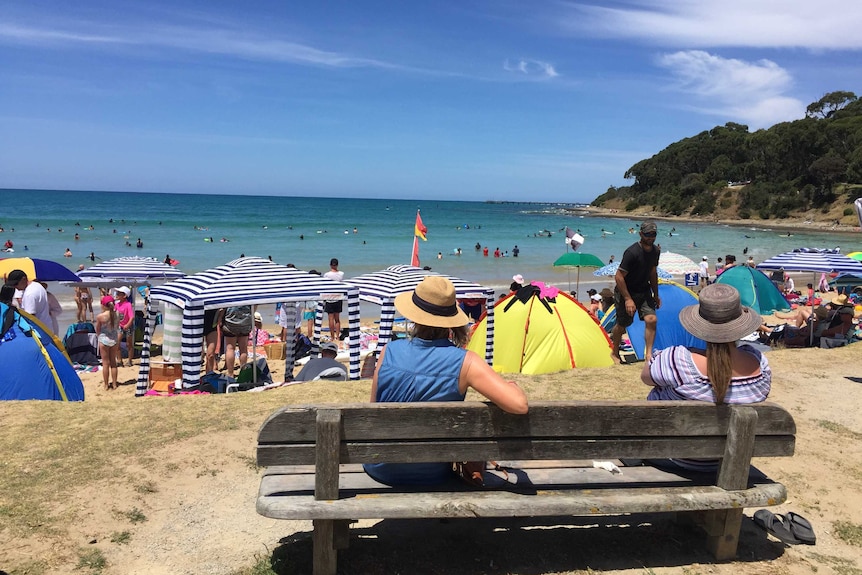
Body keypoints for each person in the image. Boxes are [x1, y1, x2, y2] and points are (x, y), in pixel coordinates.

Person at [363, 276, 528, 486]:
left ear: (414, 315)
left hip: (379, 467)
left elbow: (372, 410)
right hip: (432, 472)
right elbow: (519, 405)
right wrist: (513, 386)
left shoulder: (389, 351)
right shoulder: (465, 362)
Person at [641, 284, 770, 470]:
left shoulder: (679, 360)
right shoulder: (760, 364)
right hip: (731, 463)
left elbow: (646, 377)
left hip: (675, 460)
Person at [611, 221, 661, 363]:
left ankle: (649, 355)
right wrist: (627, 299)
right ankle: (615, 352)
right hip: (626, 291)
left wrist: (656, 295)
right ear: (641, 234)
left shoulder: (656, 251)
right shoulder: (632, 252)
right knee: (622, 325)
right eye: (648, 234)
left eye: (653, 234)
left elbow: (653, 273)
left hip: (644, 290)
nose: (651, 237)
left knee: (651, 319)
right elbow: (619, 276)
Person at [218, 305, 252, 377]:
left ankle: (230, 374)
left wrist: (220, 318)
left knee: (230, 348)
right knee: (243, 349)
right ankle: (243, 372)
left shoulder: (229, 293)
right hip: (245, 320)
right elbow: (254, 304)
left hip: (230, 321)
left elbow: (224, 306)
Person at [95, 295, 120, 390]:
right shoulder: (117, 314)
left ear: (103, 305)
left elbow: (97, 329)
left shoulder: (101, 316)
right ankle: (114, 384)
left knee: (105, 363)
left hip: (104, 339)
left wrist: (99, 336)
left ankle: (106, 385)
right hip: (114, 339)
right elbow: (118, 326)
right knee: (113, 362)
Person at [323, 258, 344, 340]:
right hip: (338, 297)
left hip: (329, 298)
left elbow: (325, 286)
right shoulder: (341, 274)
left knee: (330, 319)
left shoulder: (327, 275)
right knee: (337, 319)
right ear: (337, 265)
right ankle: (337, 336)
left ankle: (332, 336)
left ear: (330, 265)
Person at [114, 286, 135, 366]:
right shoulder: (117, 304)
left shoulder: (128, 305)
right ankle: (119, 360)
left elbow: (131, 317)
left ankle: (130, 360)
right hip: (120, 326)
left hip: (128, 326)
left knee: (129, 344)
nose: (117, 294)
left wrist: (128, 324)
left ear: (125, 296)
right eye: (117, 293)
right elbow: (114, 314)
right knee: (117, 343)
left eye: (119, 293)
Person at [203, 308, 221, 373]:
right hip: (197, 323)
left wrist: (220, 316)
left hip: (212, 324)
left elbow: (223, 305)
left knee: (210, 354)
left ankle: (209, 374)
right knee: (197, 354)